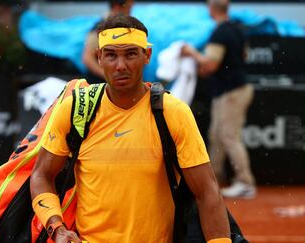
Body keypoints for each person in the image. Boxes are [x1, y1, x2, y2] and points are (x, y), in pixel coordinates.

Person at [30, 14, 231, 243]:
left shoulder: (172, 113)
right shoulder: (77, 109)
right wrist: (56, 227)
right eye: (111, 55)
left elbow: (207, 191)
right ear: (99, 57)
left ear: (147, 55)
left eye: (131, 54)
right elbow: (41, 175)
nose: (120, 66)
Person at [181, 0, 256, 199]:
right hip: (232, 89)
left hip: (232, 91)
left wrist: (191, 53)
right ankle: (213, 180)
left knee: (229, 136)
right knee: (216, 135)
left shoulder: (220, 32)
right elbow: (245, 55)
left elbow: (211, 65)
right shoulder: (238, 29)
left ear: (212, 9)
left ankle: (245, 182)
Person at [82, 0, 133, 84]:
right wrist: (106, 75)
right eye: (129, 8)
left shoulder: (127, 26)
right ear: (117, 7)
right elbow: (87, 57)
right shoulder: (99, 28)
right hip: (99, 83)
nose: (130, 12)